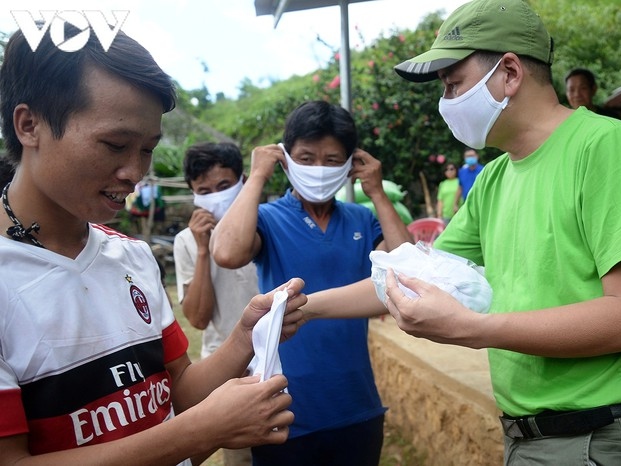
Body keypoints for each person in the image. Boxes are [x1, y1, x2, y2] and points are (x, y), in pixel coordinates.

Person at [302, 0, 621, 464]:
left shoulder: (605, 147)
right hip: (525, 435)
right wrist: (302, 308)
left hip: (593, 436)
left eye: (453, 85)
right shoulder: (494, 181)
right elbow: (414, 275)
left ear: (510, 72)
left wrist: (475, 329)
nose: (446, 103)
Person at [0, 24, 307, 465]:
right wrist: (198, 431)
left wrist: (244, 337)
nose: (134, 171)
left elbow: (178, 389)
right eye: (115, 144)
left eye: (146, 149)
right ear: (30, 125)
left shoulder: (132, 256)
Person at [211, 100, 412, 466]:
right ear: (285, 158)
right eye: (306, 157)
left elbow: (408, 270)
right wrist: (255, 177)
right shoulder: (268, 218)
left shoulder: (361, 219)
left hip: (357, 407)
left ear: (351, 163)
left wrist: (378, 194)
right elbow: (226, 253)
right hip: (282, 410)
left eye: (333, 160)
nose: (318, 169)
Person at [172, 142, 261, 466]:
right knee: (241, 457)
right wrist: (202, 250)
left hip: (285, 364)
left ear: (243, 180)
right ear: (194, 195)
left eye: (224, 186)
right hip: (227, 374)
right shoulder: (186, 241)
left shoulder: (268, 224)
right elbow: (197, 318)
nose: (216, 196)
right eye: (204, 190)